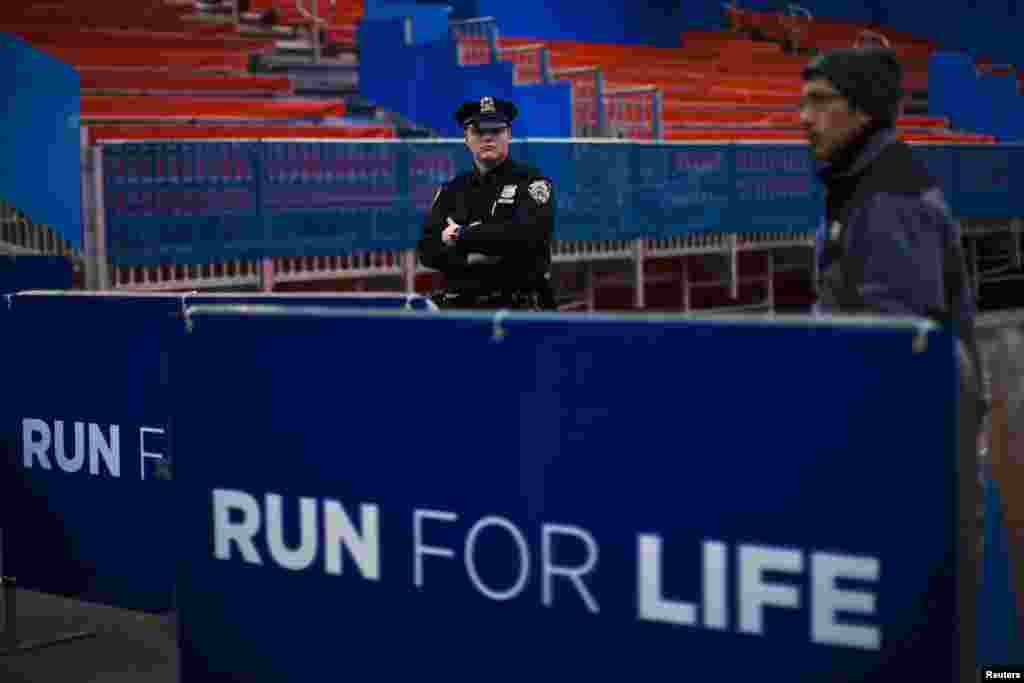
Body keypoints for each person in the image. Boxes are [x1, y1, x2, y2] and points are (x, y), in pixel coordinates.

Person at [800, 47, 987, 405]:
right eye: (804, 103)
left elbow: (898, 355)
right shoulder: (855, 184)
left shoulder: (891, 199)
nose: (805, 117)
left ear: (864, 110)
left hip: (903, 429)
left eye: (821, 101)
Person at [417, 96, 556, 310]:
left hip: (519, 312)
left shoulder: (532, 183)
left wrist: (459, 236)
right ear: (466, 138)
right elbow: (427, 250)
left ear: (509, 134)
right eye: (479, 131)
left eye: (496, 131)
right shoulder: (452, 189)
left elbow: (526, 237)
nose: (487, 137)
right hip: (462, 311)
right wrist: (478, 256)